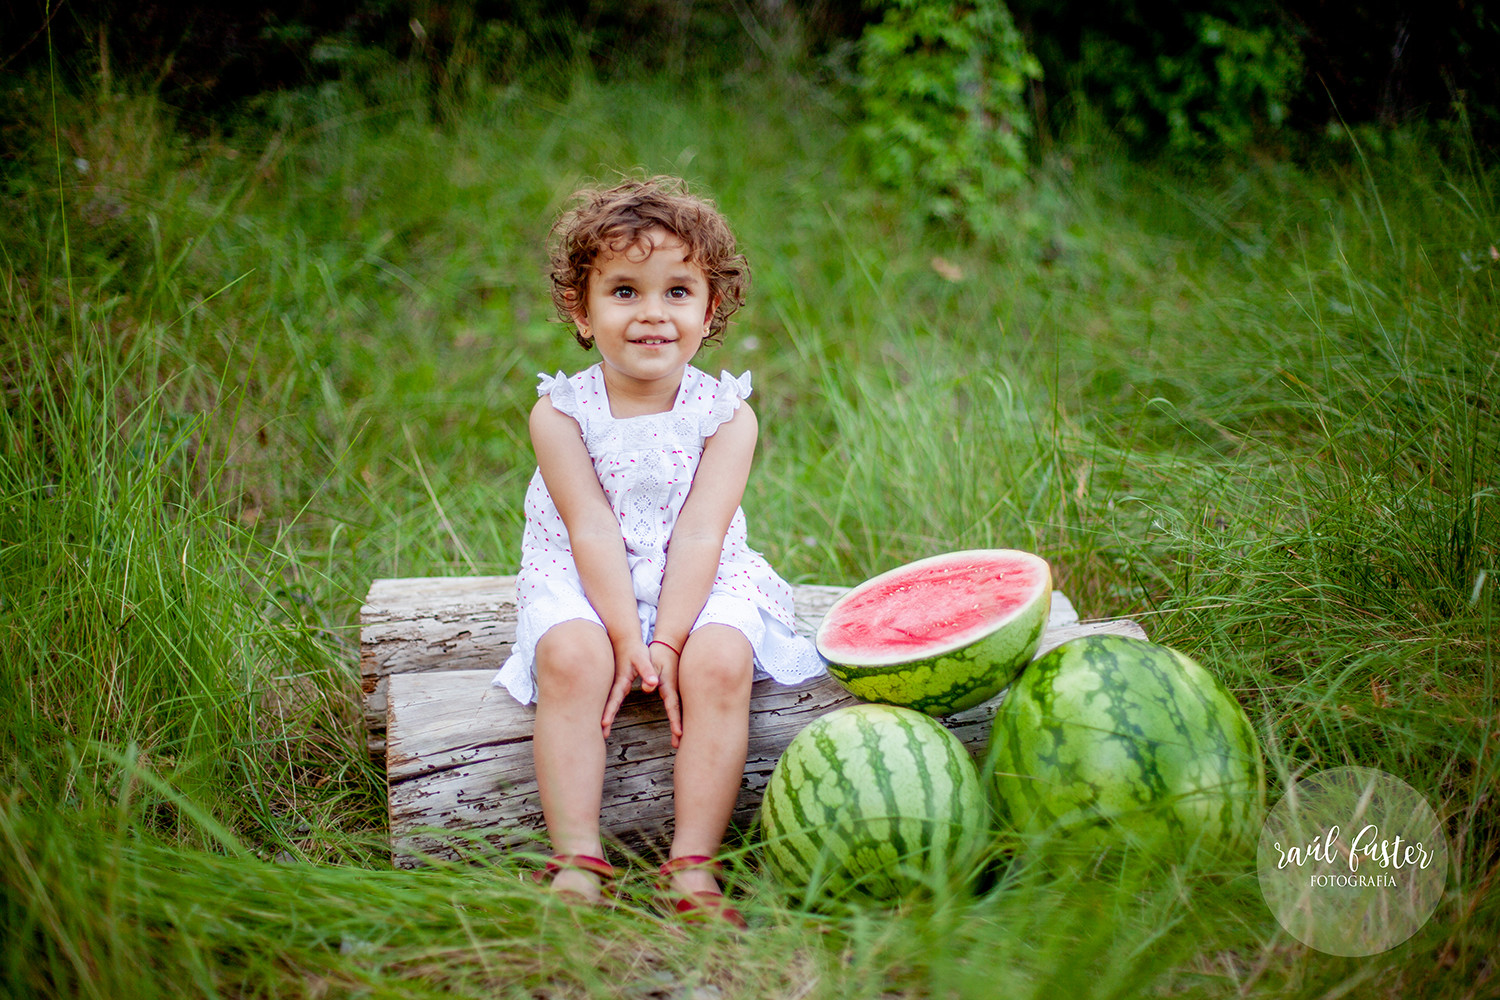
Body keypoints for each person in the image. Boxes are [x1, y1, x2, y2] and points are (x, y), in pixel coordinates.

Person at [493, 176, 825, 922]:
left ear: (712, 311)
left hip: (696, 571)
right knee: (574, 658)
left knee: (722, 661)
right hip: (585, 571)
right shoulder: (561, 414)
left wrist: (669, 641)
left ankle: (692, 865)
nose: (652, 314)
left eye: (678, 292)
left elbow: (704, 532)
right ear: (582, 310)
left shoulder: (726, 417)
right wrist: (620, 636)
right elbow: (589, 529)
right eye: (624, 292)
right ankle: (578, 857)